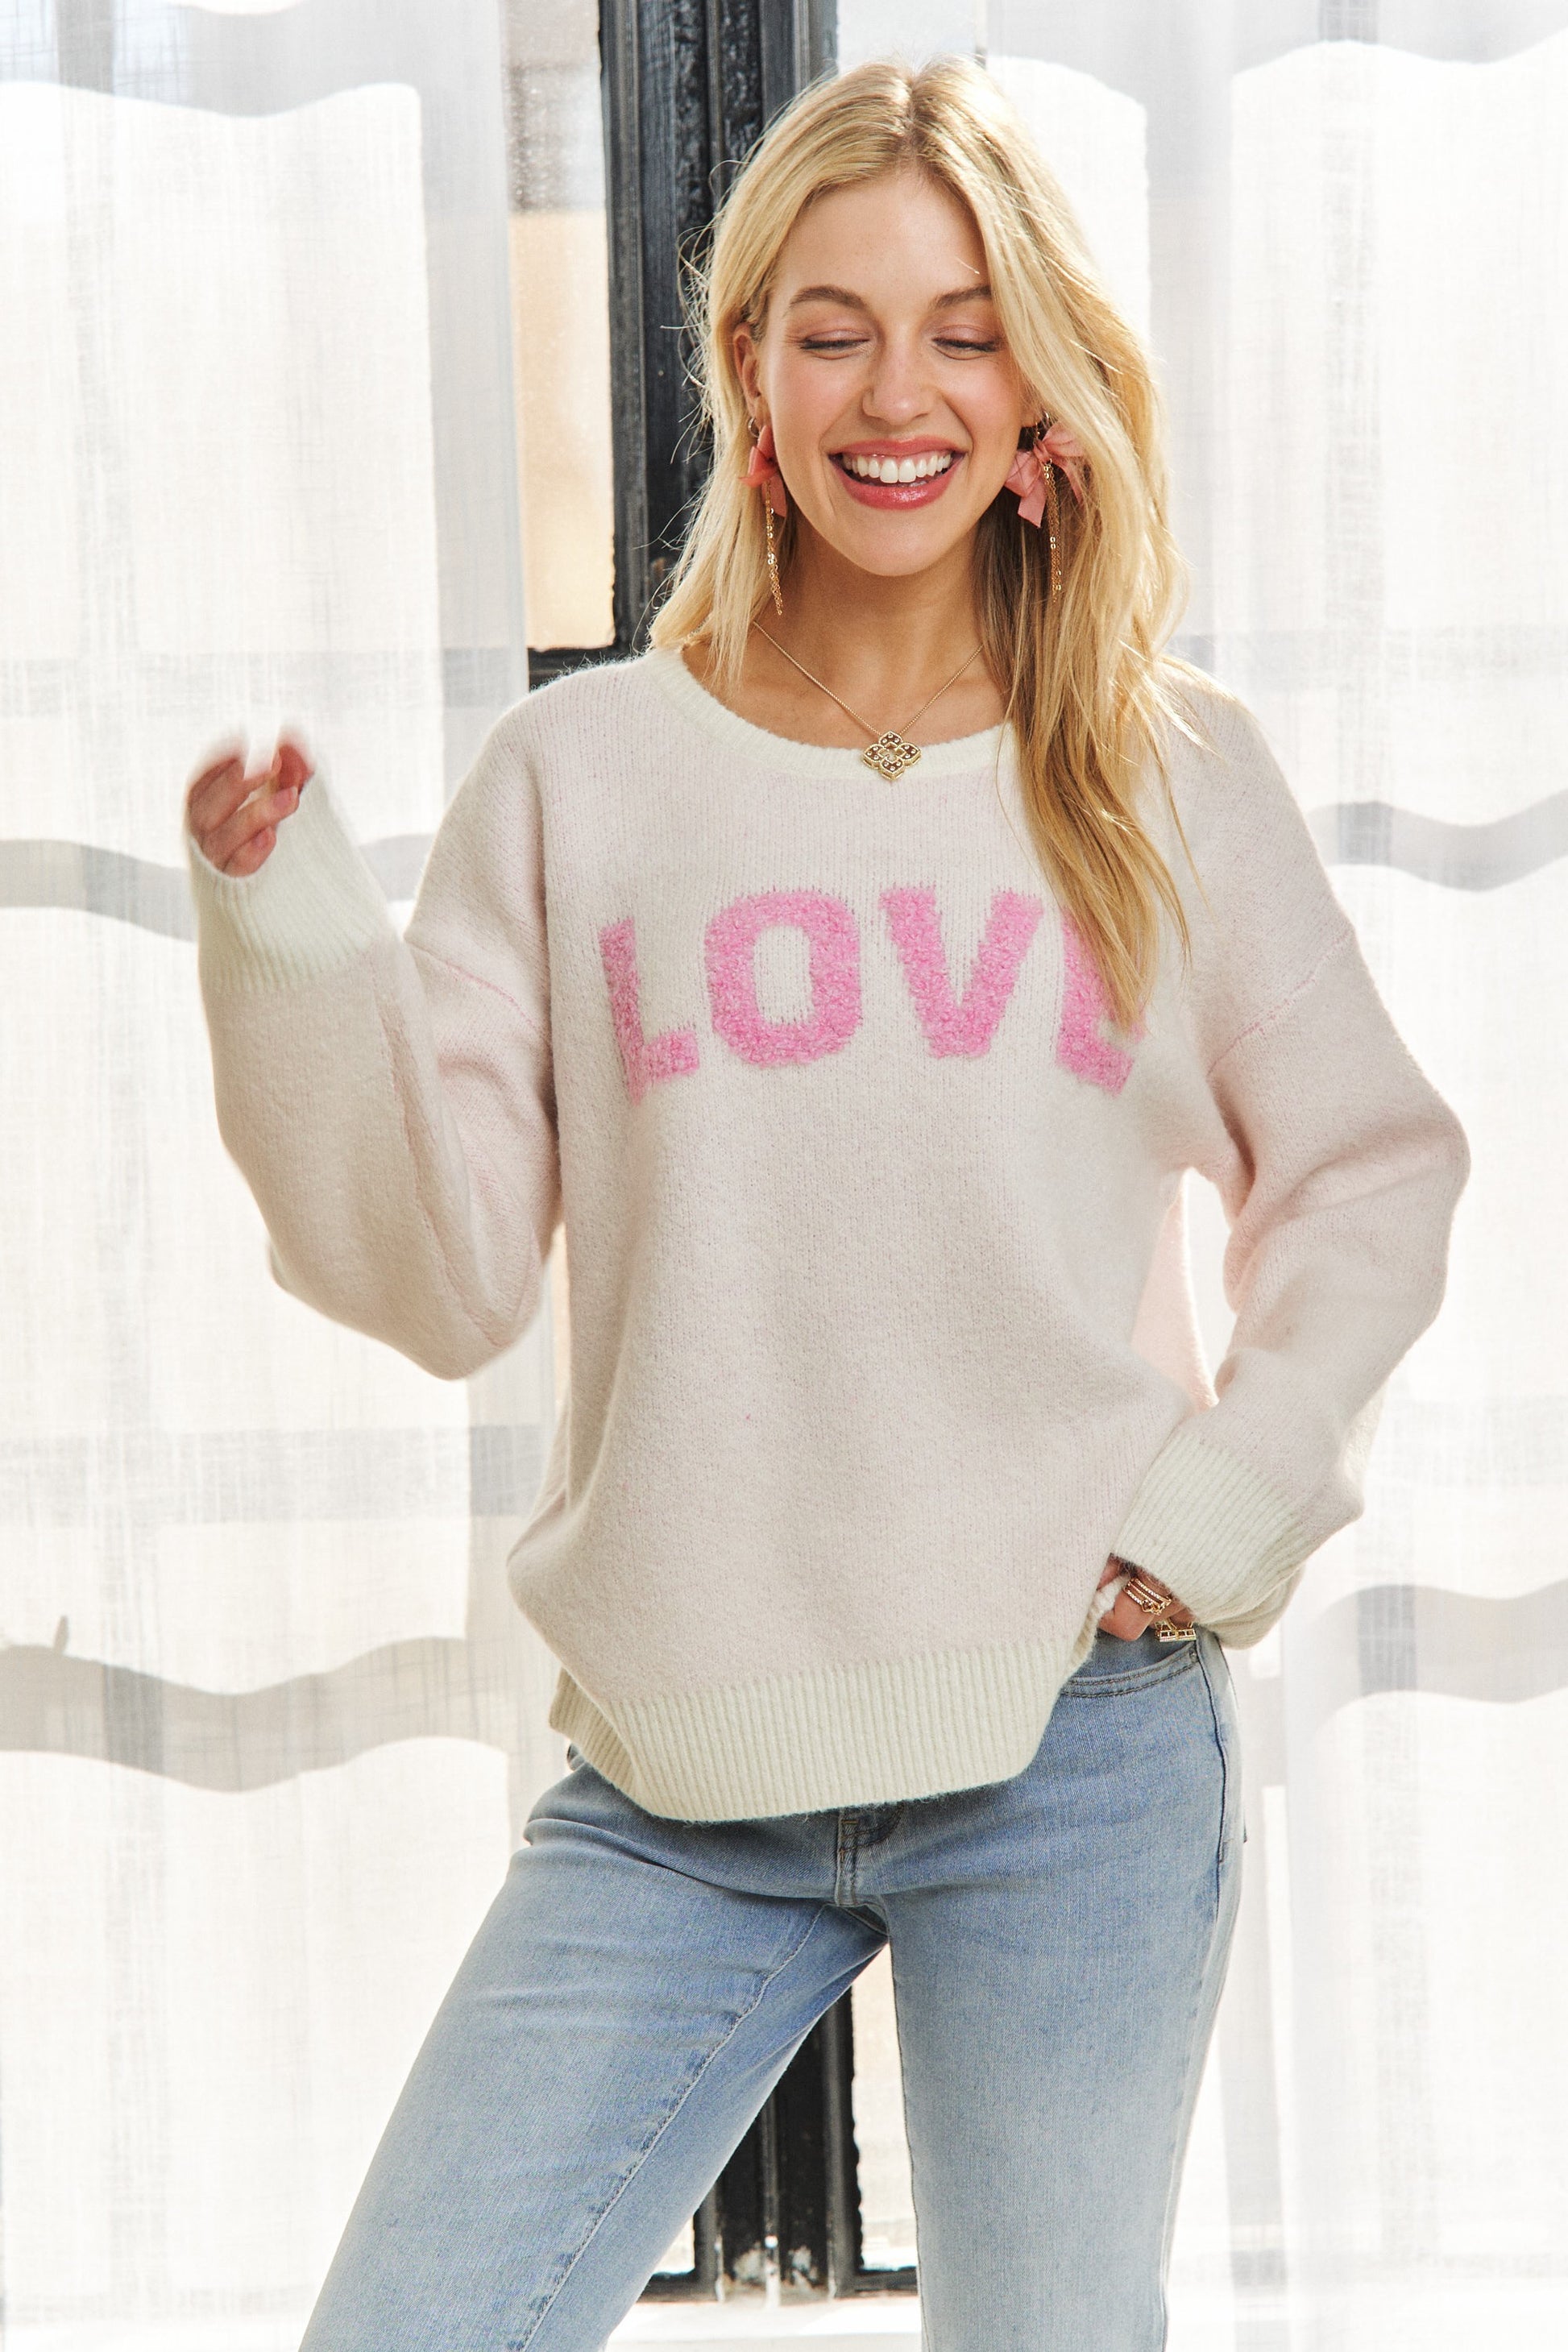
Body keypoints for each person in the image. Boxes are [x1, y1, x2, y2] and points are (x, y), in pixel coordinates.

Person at [183, 55, 1467, 2352]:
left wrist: (1221, 1507)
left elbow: (1369, 1173)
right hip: (680, 1760)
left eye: (966, 331)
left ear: (1036, 388)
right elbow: (441, 1271)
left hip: (1074, 1740)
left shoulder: (1161, 775)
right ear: (749, 373)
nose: (900, 393)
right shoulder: (578, 776)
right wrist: (287, 939)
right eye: (837, 328)